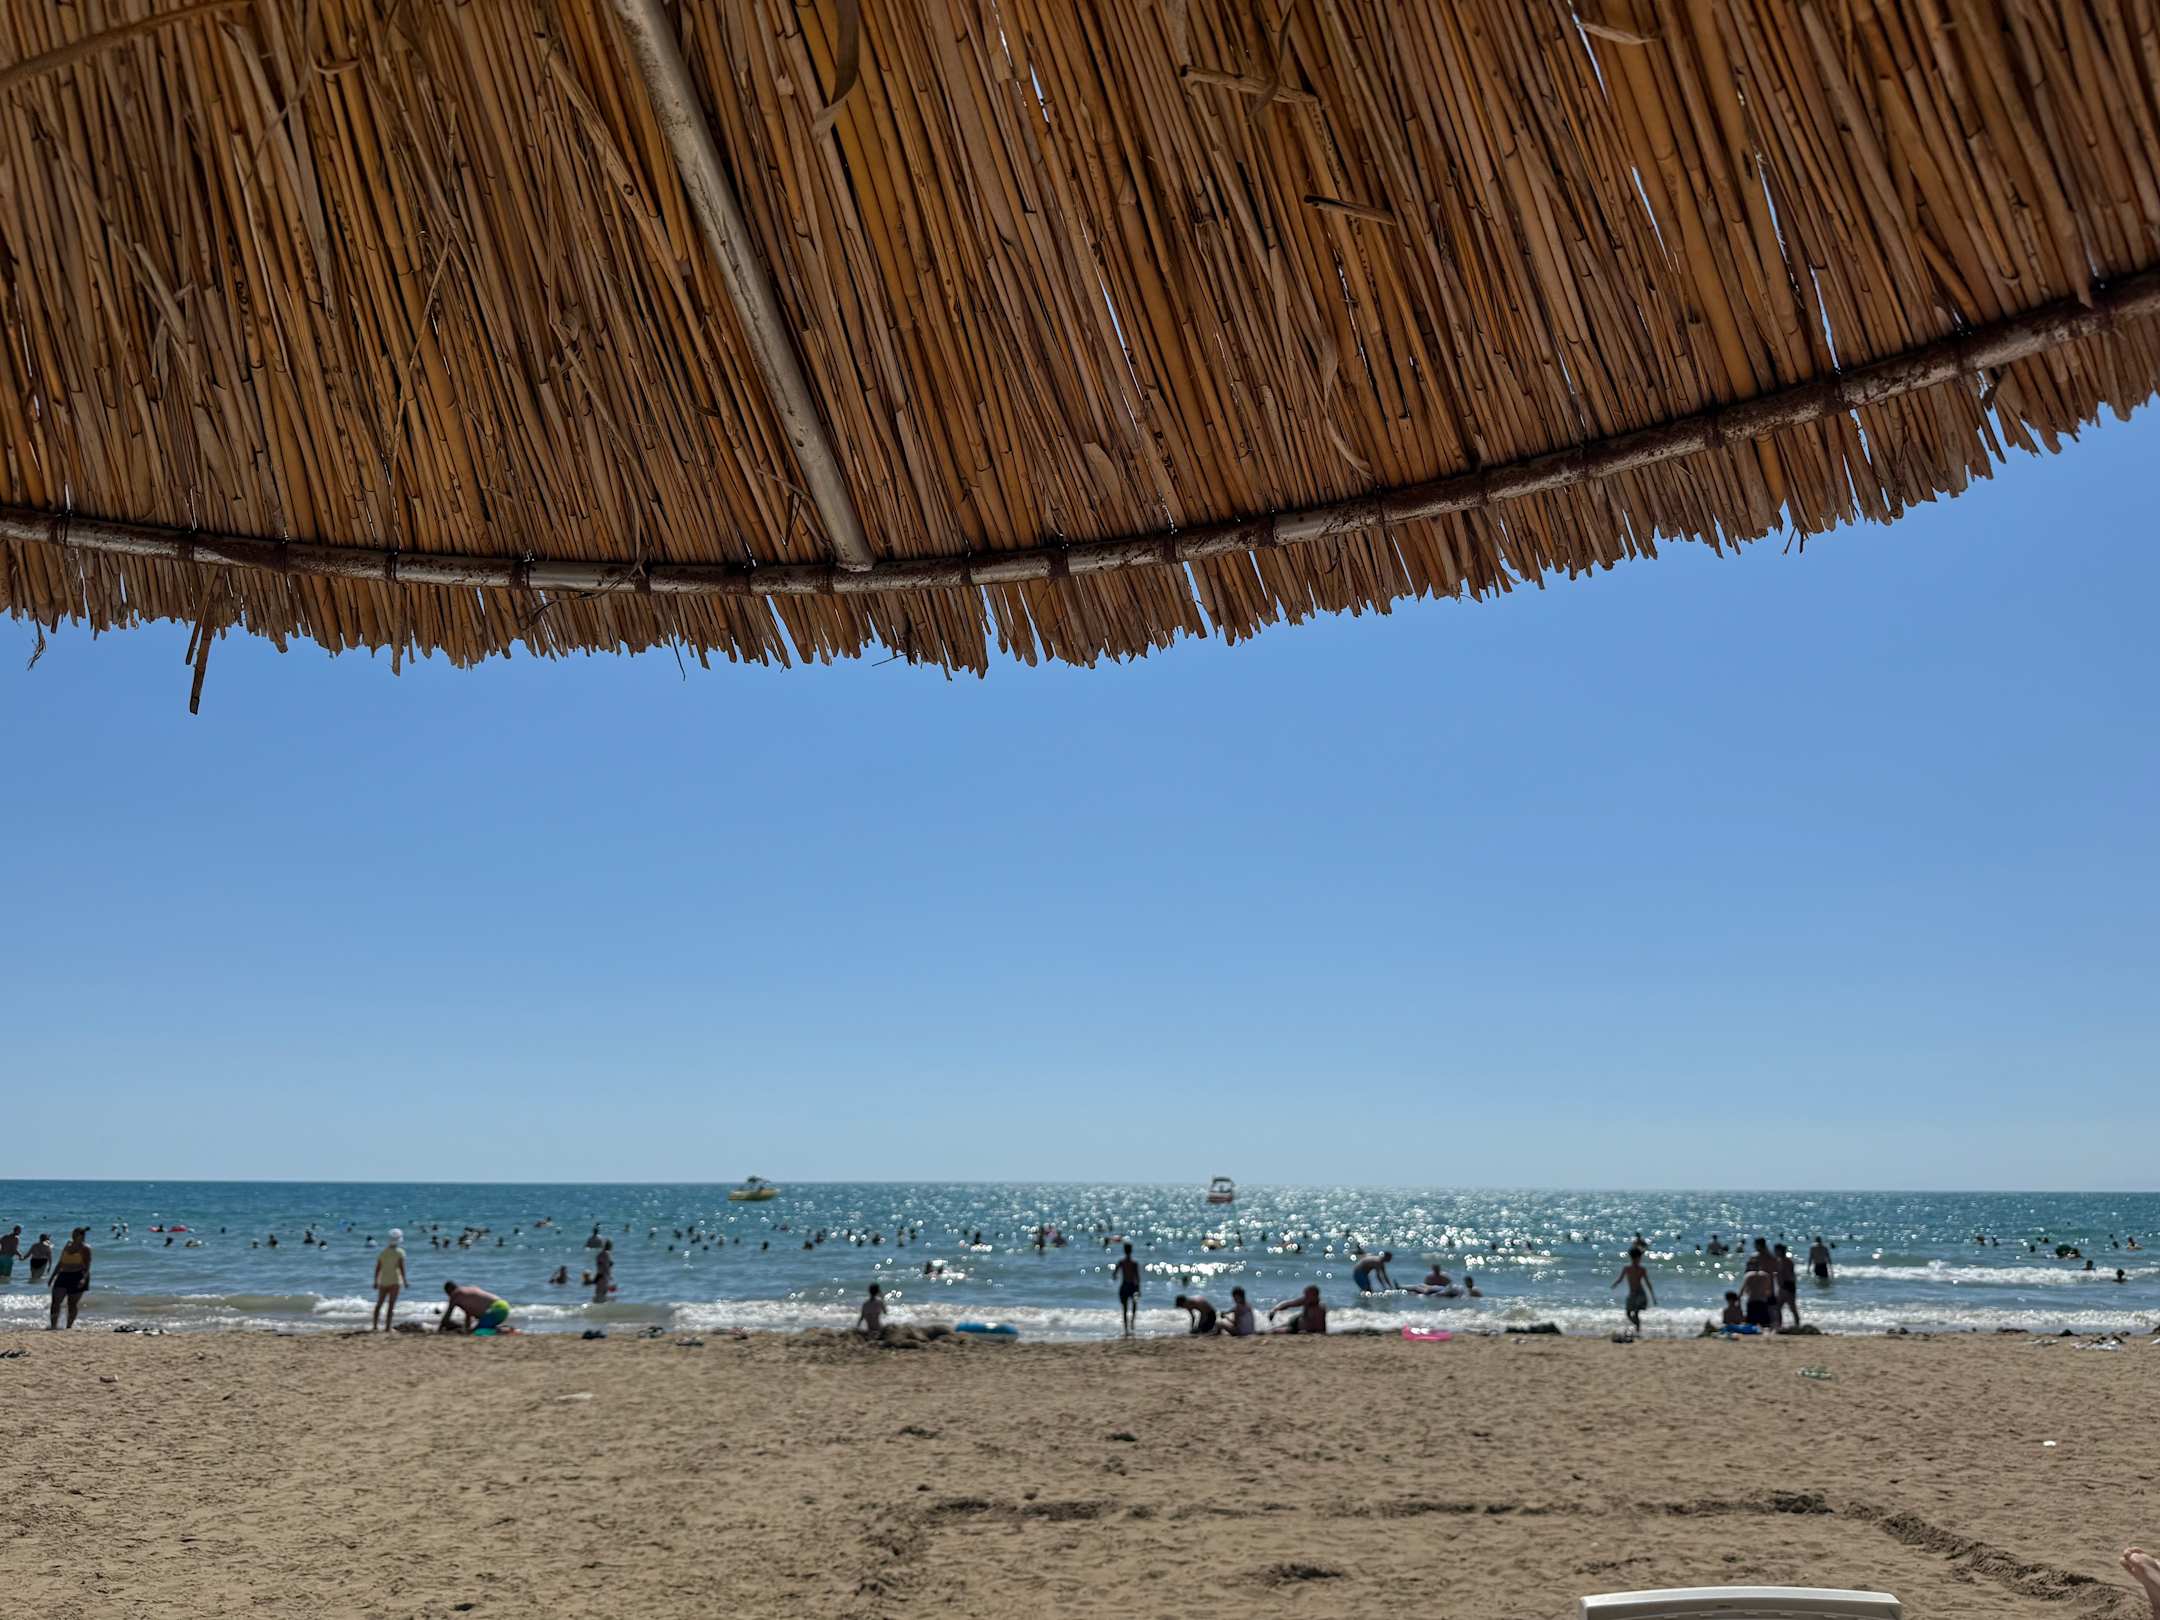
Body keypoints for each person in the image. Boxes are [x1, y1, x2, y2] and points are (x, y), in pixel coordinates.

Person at [48, 1227, 92, 1330]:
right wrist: (52, 1276)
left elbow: (87, 1266)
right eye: (73, 1233)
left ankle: (68, 1327)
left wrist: (83, 1279)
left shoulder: (85, 1248)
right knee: (55, 1302)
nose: (73, 1235)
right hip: (63, 1275)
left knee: (72, 1304)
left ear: (81, 1236)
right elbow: (61, 1262)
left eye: (76, 1234)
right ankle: (53, 1326)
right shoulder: (67, 1245)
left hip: (78, 1276)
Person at [438, 1280, 510, 1334]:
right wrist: (467, 1329)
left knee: (478, 1331)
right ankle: (504, 1328)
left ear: (449, 1291)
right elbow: (468, 1314)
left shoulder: (456, 1294)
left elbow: (447, 1315)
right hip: (503, 1306)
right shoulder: (466, 1291)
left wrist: (439, 1329)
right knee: (482, 1327)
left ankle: (505, 1330)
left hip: (495, 1310)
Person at [1611, 1246, 1654, 1334]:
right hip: (1632, 1294)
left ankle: (1637, 1330)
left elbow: (1647, 1283)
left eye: (1638, 1258)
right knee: (1628, 1313)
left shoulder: (1642, 1269)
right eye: (1635, 1258)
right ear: (1631, 1258)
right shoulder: (1627, 1268)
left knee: (1636, 1313)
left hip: (1640, 1294)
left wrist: (1652, 1297)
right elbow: (1620, 1279)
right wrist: (1615, 1284)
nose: (1637, 1260)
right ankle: (1637, 1326)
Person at [372, 1229, 407, 1331]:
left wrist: (375, 1281)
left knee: (379, 1304)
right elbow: (401, 1268)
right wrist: (405, 1281)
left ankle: (375, 1326)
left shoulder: (383, 1253)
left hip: (383, 1281)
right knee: (391, 1305)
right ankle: (387, 1327)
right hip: (395, 1281)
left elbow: (378, 1268)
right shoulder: (400, 1252)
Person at [1738, 1254, 1777, 1332]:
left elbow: (1741, 1292)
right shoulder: (1766, 1275)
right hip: (1762, 1302)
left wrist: (1738, 1305)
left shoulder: (1748, 1275)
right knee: (1765, 1324)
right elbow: (1769, 1292)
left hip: (1752, 1301)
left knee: (1751, 1325)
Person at [1113, 1242, 1142, 1335]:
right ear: (1131, 1251)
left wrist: (1115, 1276)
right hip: (1133, 1286)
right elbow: (1137, 1277)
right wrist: (1139, 1289)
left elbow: (1114, 1273)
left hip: (1124, 1285)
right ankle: (1132, 1322)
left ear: (1124, 1251)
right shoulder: (1134, 1263)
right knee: (1134, 1305)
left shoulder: (1121, 1262)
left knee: (1125, 1308)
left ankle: (1126, 1328)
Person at [1774, 1243, 1801, 1328]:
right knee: (1778, 1307)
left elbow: (1789, 1276)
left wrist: (1784, 1287)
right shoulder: (1781, 1261)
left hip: (1787, 1286)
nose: (1775, 1252)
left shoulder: (1786, 1261)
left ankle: (1797, 1325)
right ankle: (1780, 1325)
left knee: (1791, 1308)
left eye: (1776, 1250)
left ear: (1780, 1251)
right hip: (1784, 1287)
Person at [592, 1239, 615, 1304]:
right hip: (604, 1275)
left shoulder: (599, 1254)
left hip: (598, 1275)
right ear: (610, 1246)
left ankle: (595, 1305)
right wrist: (609, 1276)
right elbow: (606, 1266)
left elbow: (599, 1265)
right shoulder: (607, 1254)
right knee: (603, 1293)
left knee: (598, 1292)